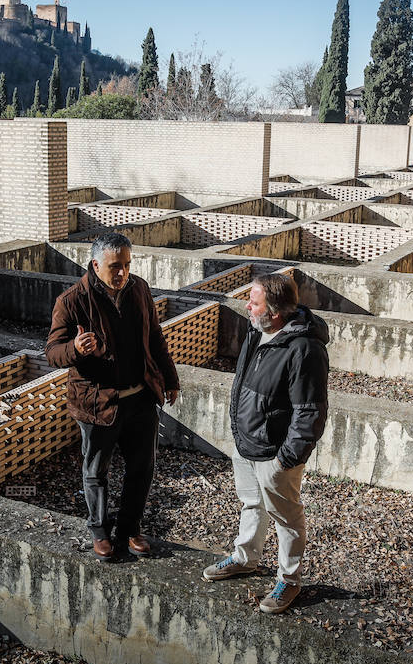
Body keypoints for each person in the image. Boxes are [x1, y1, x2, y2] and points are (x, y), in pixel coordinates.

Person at [46, 232, 180, 560]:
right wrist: (75, 349)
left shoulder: (139, 289)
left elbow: (155, 338)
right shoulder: (72, 300)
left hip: (141, 398)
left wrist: (169, 378)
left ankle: (130, 528)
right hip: (97, 403)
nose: (123, 273)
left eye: (127, 265)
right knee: (96, 471)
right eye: (115, 266)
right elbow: (52, 353)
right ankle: (100, 532)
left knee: (141, 467)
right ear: (95, 264)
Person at [203, 272, 328, 614]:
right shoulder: (257, 330)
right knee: (251, 504)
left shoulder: (304, 349)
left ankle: (289, 580)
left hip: (275, 454)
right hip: (247, 442)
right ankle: (245, 558)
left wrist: (286, 459)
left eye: (253, 301)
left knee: (286, 517)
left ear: (273, 311)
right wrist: (238, 430)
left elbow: (310, 413)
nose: (247, 305)